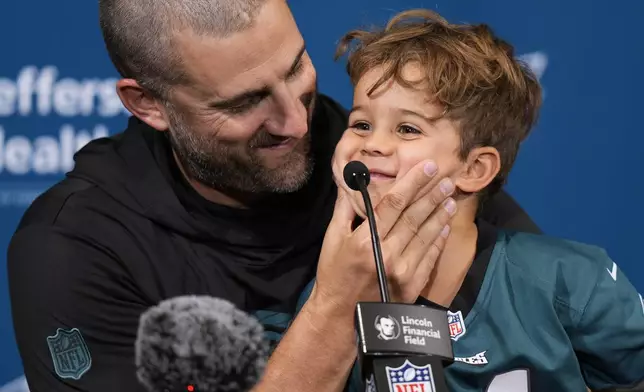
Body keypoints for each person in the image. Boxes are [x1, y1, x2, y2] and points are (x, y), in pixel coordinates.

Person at [7, 1, 540, 391]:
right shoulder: (75, 248)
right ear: (148, 104)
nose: (295, 121)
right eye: (245, 103)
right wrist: (337, 310)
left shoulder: (388, 162)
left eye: (296, 68)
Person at [296, 9, 644, 392]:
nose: (372, 144)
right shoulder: (322, 305)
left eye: (408, 128)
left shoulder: (572, 283)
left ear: (475, 169)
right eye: (361, 124)